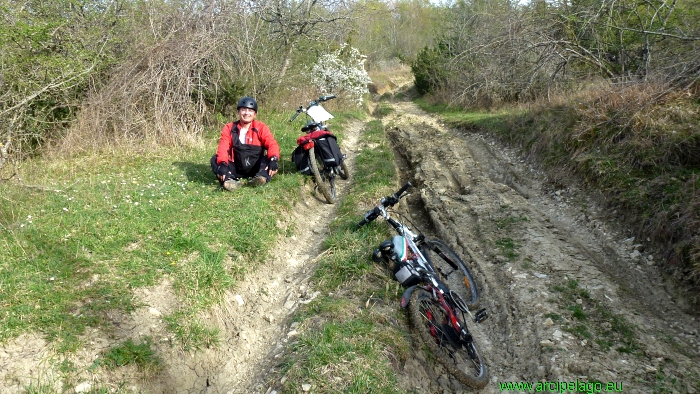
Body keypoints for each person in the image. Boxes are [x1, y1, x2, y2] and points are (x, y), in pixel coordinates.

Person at [210, 96, 280, 191]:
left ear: (255, 114)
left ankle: (261, 178)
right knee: (215, 159)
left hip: (257, 167)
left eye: (250, 111)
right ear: (238, 112)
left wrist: (274, 159)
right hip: (237, 167)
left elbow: (272, 144)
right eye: (243, 110)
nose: (247, 113)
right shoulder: (229, 128)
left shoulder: (261, 127)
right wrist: (222, 163)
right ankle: (229, 181)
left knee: (271, 159)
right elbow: (223, 147)